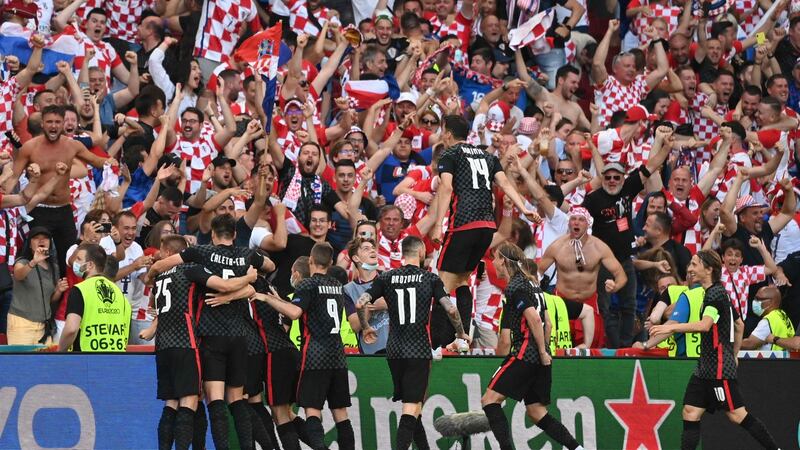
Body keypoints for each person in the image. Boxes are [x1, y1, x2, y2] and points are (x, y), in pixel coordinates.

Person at [147, 214, 275, 450]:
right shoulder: (246, 254)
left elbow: (162, 264)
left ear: (213, 234)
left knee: (214, 401)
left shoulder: (201, 253)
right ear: (235, 235)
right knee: (237, 400)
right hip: (240, 334)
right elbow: (270, 266)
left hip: (209, 334)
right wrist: (248, 275)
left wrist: (151, 275)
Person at [649, 251, 780, 450]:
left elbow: (704, 325)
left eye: (694, 264)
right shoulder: (716, 292)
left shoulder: (715, 294)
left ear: (709, 269)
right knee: (690, 411)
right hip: (705, 367)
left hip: (718, 368)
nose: (689, 269)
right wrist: (734, 354)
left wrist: (670, 327)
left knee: (737, 415)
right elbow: (739, 325)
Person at [355, 235, 469, 450]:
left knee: (415, 407)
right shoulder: (430, 279)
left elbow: (361, 302)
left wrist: (366, 326)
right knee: (411, 407)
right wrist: (461, 333)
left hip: (394, 350)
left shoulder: (386, 278)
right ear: (421, 252)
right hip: (417, 350)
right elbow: (451, 309)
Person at [432, 114, 538, 336]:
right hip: (487, 227)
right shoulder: (486, 156)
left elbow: (446, 188)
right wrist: (524, 208)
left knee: (441, 287)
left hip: (462, 224)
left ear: (448, 134)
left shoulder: (450, 154)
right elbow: (505, 183)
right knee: (462, 280)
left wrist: (437, 225)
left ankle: (438, 344)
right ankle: (462, 339)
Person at [481, 243, 584, 450]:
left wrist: (541, 351)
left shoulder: (515, 287)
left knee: (489, 400)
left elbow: (535, 319)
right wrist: (544, 352)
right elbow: (548, 322)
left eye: (496, 258)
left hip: (524, 353)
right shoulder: (534, 284)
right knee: (537, 412)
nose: (493, 263)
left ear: (504, 261)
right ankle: (577, 448)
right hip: (538, 355)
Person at [254, 243, 355, 450]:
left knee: (312, 412)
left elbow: (293, 313)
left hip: (315, 355)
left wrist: (265, 297)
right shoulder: (336, 285)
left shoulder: (307, 285)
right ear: (330, 262)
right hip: (338, 355)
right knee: (341, 415)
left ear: (311, 260)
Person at [582, 125, 674, 348]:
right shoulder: (594, 199)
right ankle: (611, 348)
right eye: (608, 177)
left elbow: (651, 166)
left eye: (616, 177)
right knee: (605, 306)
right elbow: (580, 221)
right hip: (604, 261)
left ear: (623, 178)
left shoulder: (628, 188)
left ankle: (623, 348)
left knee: (629, 305)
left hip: (625, 259)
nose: (612, 180)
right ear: (602, 177)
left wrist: (667, 146)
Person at [538, 207, 627, 348]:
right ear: (568, 223)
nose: (576, 223)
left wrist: (615, 286)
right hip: (562, 302)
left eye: (581, 220)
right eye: (573, 219)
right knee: (559, 347)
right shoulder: (557, 246)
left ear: (588, 224)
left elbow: (621, 275)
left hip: (589, 303)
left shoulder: (599, 247)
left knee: (590, 348)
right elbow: (538, 271)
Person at [58, 243, 130, 352]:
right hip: (116, 359)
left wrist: (60, 352)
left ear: (90, 265)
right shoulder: (119, 292)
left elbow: (71, 329)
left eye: (79, 259)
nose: (75, 263)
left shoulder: (80, 290)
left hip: (86, 360)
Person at [6, 227, 68, 345]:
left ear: (50, 243)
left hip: (44, 326)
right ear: (30, 244)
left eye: (45, 238)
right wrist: (33, 262)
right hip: (21, 324)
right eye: (36, 238)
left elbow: (49, 299)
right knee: (21, 363)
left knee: (44, 363)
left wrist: (59, 290)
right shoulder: (22, 262)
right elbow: (18, 275)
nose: (41, 241)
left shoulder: (53, 267)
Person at [741, 286, 796, 351]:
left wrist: (731, 344)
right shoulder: (782, 315)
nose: (755, 302)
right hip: (784, 358)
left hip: (772, 360)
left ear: (771, 302)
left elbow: (750, 344)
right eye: (755, 298)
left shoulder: (768, 320)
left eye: (759, 299)